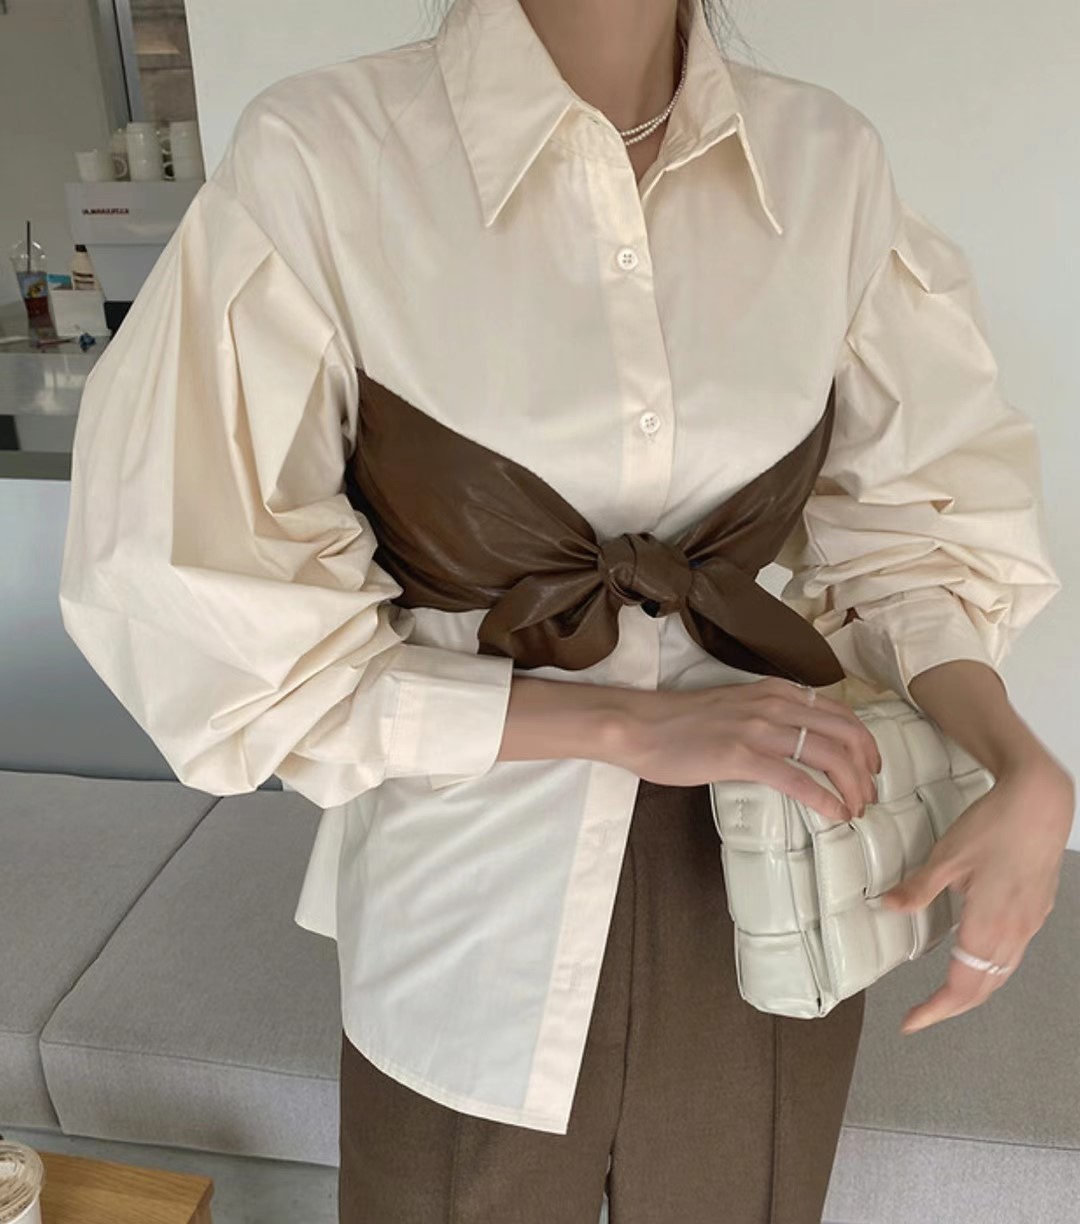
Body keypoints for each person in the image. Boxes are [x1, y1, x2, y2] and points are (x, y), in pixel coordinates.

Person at [59, 0, 1071, 1220]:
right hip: (472, 899)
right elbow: (207, 599)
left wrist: (1022, 762)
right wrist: (625, 726)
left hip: (774, 875)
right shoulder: (326, 156)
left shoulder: (826, 165)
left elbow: (913, 534)